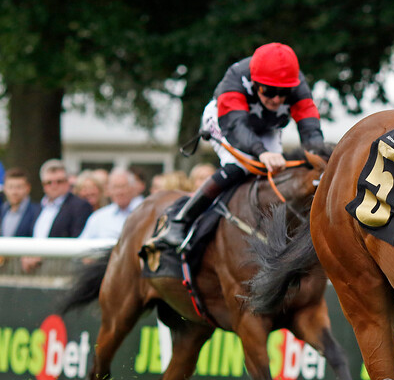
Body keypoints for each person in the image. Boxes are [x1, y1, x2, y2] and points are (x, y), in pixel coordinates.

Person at [153, 42, 327, 250]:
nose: (277, 99)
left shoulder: (298, 84)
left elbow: (310, 129)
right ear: (254, 82)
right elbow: (236, 127)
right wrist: (261, 152)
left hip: (265, 126)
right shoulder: (235, 78)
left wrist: (321, 159)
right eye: (269, 91)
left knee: (277, 173)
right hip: (225, 121)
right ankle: (180, 220)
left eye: (284, 93)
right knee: (241, 167)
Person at [22, 160, 94, 273]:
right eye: (49, 182)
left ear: (67, 182)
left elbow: (77, 240)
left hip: (63, 270)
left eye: (59, 181)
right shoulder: (39, 207)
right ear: (43, 185)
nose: (54, 186)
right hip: (35, 271)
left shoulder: (80, 206)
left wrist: (41, 256)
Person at [79, 168, 144, 239]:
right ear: (109, 190)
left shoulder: (144, 214)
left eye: (123, 187)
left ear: (132, 188)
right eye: (115, 187)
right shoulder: (98, 217)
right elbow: (82, 244)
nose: (119, 192)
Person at [0, 168, 40, 237]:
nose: (14, 192)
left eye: (19, 187)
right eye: (10, 187)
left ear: (28, 188)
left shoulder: (38, 212)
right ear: (5, 188)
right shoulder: (2, 210)